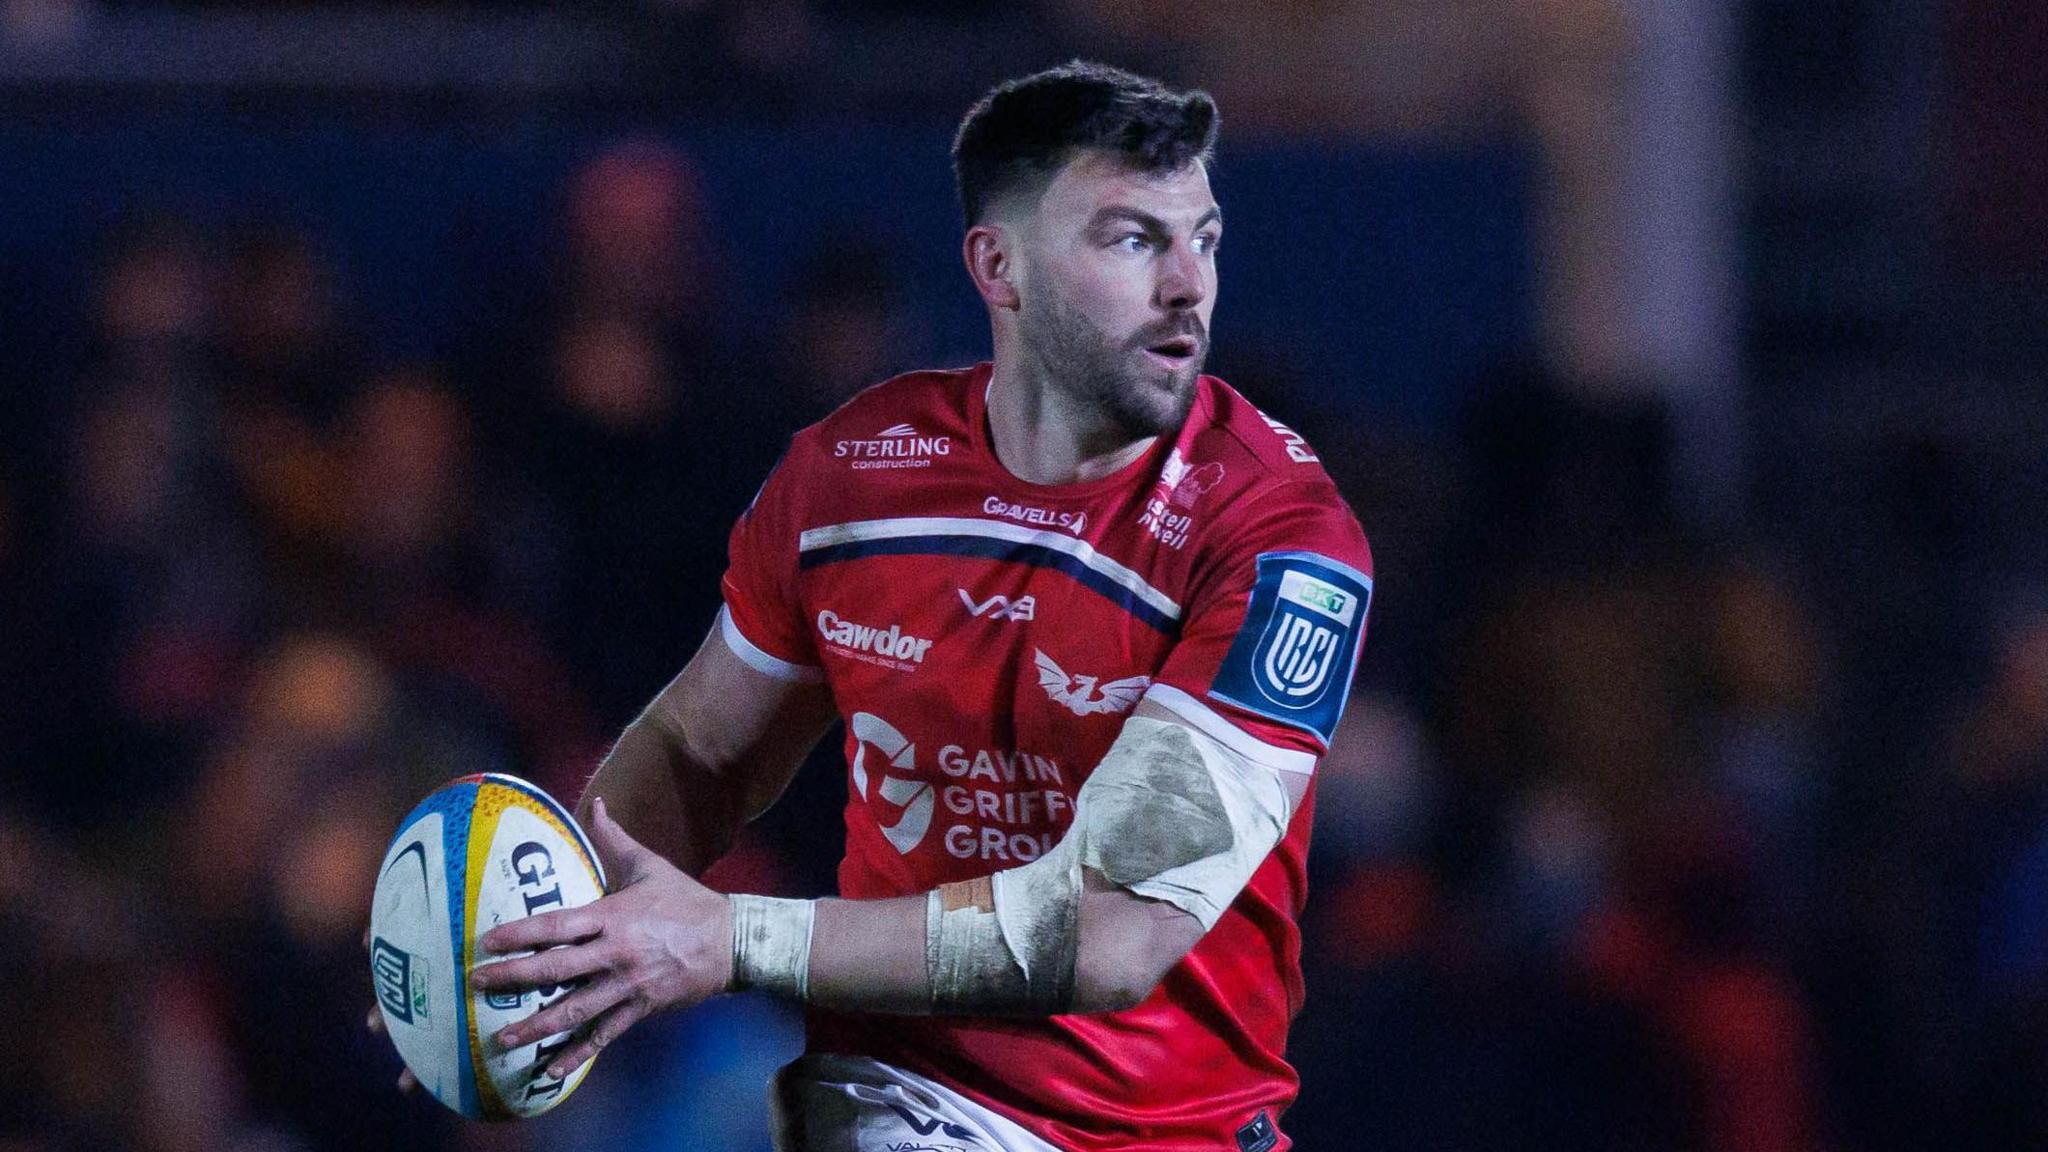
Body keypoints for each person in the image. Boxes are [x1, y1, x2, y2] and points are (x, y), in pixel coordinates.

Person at [459, 62, 1374, 1151]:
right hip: (894, 1108)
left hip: (1155, 1131)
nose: (1187, 287)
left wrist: (726, 939)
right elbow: (700, 750)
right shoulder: (853, 474)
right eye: (1133, 240)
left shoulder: (1278, 536)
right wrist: (527, 964)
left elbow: (1114, 928)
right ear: (1001, 268)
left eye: (1202, 240)